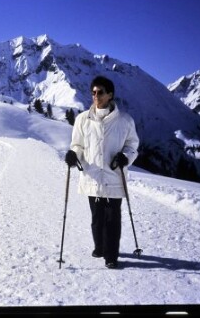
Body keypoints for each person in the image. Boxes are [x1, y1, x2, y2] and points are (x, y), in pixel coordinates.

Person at [65, 76, 139, 269]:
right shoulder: (83, 119)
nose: (96, 96)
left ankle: (111, 256)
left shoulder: (125, 120)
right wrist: (74, 155)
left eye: (100, 92)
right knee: (97, 218)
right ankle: (100, 247)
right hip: (92, 177)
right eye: (93, 92)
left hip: (114, 177)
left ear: (110, 95)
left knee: (112, 219)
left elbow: (132, 145)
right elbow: (77, 144)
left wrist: (125, 157)